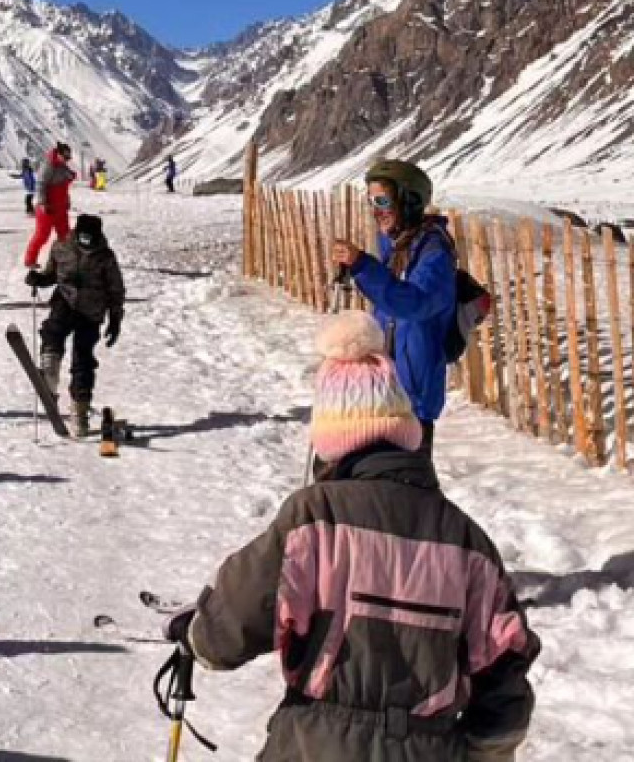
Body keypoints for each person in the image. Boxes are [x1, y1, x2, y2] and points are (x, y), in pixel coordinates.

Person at [162, 309, 539, 762]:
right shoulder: (466, 540)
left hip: (316, 744)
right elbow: (504, 674)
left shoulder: (314, 517)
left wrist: (198, 635)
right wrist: (480, 751)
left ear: (331, 438)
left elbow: (231, 626)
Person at [330, 159, 456, 455]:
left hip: (414, 397)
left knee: (408, 488)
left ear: (409, 200)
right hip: (388, 389)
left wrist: (362, 266)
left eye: (383, 200)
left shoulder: (434, 254)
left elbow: (413, 303)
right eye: (371, 201)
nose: (376, 210)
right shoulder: (397, 246)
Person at [26, 212, 124, 436]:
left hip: (91, 310)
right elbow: (52, 274)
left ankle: (79, 411)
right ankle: (49, 373)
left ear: (98, 236)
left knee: (83, 359)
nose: (86, 242)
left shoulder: (106, 257)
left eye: (91, 238)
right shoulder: (61, 245)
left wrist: (115, 319)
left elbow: (116, 290)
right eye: (83, 237)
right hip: (65, 300)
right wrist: (39, 279)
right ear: (76, 233)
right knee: (53, 331)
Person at [23, 141, 75, 268]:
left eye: (69, 157)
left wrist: (67, 201)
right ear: (58, 154)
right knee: (42, 235)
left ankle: (66, 260)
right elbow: (40, 184)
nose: (67, 160)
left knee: (65, 236)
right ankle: (30, 260)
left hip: (61, 208)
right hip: (47, 209)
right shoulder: (48, 165)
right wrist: (42, 203)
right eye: (66, 157)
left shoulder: (63, 166)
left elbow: (64, 187)